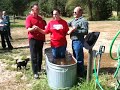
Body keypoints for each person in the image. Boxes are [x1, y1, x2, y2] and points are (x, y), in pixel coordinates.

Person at [25, 4, 46, 79]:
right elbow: (28, 29)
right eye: (36, 9)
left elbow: (44, 28)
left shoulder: (40, 18)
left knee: (39, 55)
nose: (38, 10)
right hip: (33, 39)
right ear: (32, 9)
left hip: (41, 39)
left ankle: (39, 69)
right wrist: (33, 28)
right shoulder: (29, 18)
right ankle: (35, 72)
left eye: (38, 9)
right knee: (34, 55)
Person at [68, 6, 88, 77]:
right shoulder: (74, 20)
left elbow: (85, 31)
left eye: (75, 12)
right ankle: (77, 71)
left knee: (79, 57)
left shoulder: (83, 21)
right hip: (73, 41)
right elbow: (67, 24)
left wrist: (75, 30)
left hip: (79, 41)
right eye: (73, 12)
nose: (74, 13)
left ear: (80, 12)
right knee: (75, 57)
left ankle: (81, 74)